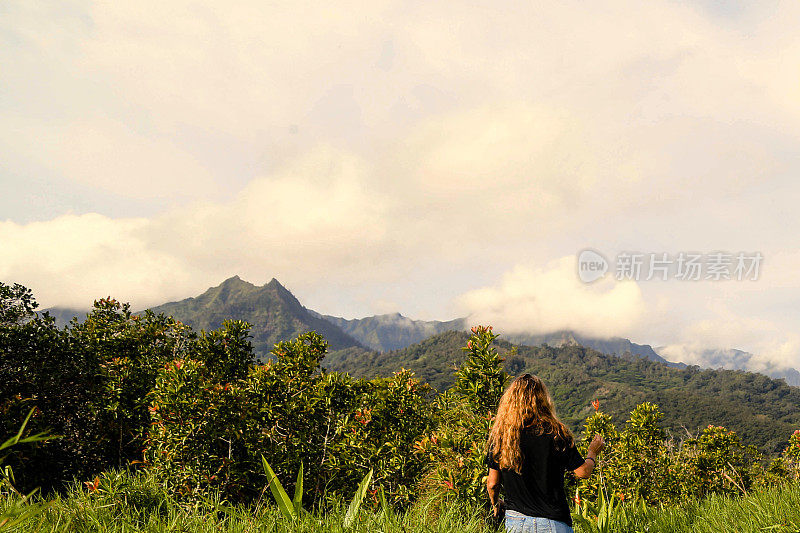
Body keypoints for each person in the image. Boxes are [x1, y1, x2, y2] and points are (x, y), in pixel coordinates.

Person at [485, 374, 605, 533]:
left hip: (516, 522)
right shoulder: (557, 433)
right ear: (543, 401)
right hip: (553, 523)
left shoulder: (502, 437)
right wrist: (592, 452)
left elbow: (492, 484)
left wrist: (495, 503)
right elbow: (583, 472)